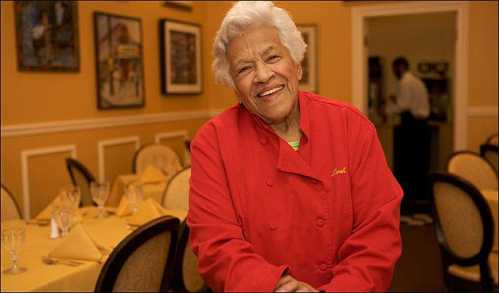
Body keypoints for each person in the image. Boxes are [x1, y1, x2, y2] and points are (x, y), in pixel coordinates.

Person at [188, 2, 403, 292]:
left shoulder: (351, 126)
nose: (263, 75)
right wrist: (278, 287)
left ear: (297, 64)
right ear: (235, 87)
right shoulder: (212, 143)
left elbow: (378, 235)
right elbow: (216, 245)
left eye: (272, 56)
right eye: (245, 68)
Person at [385, 57, 432, 213]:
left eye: (394, 69)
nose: (394, 72)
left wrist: (387, 109)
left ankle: (408, 203)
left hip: (412, 125)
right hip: (422, 125)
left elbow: (403, 105)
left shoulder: (405, 82)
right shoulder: (417, 81)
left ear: (400, 67)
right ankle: (418, 199)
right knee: (419, 162)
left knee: (407, 163)